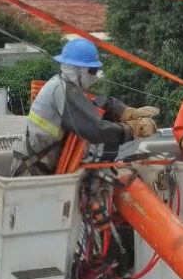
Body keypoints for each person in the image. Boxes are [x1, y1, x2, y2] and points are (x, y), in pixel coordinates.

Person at [10, 38, 159, 176]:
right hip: (32, 173)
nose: (94, 76)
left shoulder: (66, 86)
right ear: (77, 69)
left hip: (39, 168)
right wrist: (132, 128)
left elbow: (96, 102)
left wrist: (125, 112)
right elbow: (96, 129)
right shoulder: (64, 92)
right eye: (92, 71)